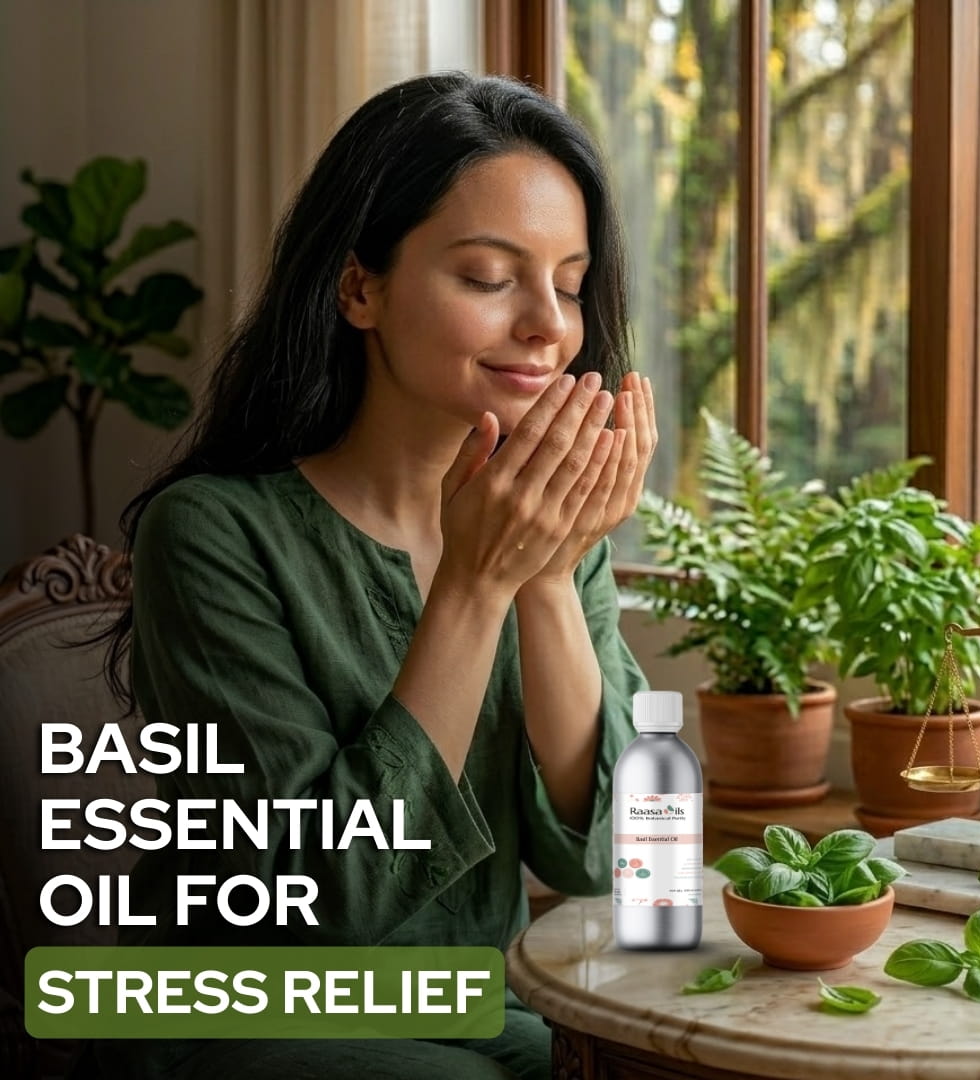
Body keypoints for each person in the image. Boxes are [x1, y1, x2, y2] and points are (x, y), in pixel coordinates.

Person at [97, 71, 656, 1079]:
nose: (548, 325)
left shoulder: (548, 535)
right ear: (360, 287)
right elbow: (326, 902)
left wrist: (545, 577)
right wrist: (479, 583)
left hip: (468, 1010)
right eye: (491, 277)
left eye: (569, 285)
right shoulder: (213, 535)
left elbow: (603, 856)